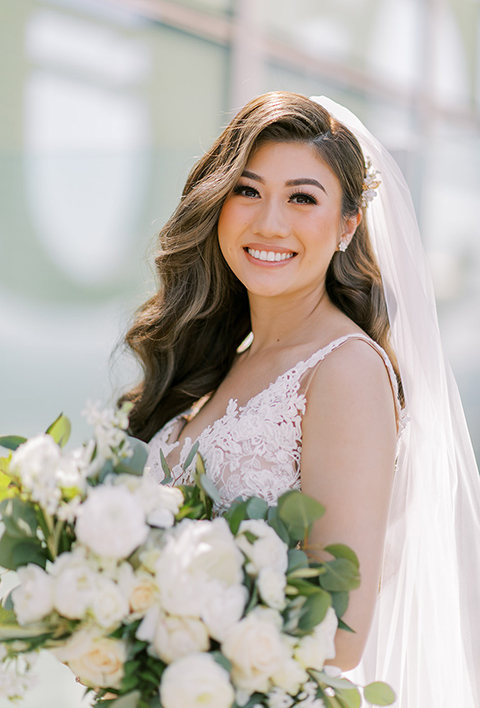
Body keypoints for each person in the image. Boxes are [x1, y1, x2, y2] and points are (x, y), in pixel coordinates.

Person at [120, 92, 480, 706]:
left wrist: (154, 619)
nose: (269, 224)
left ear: (348, 226)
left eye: (303, 198)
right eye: (248, 190)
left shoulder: (345, 372)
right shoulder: (222, 364)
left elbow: (339, 634)